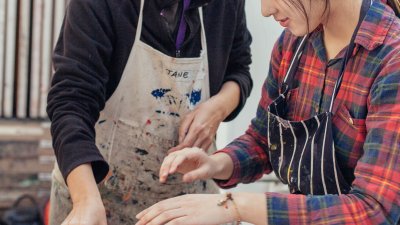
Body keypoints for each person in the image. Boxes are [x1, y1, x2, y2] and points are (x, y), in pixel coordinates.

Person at [136, 0, 400, 224]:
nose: (265, 10)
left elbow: (375, 210)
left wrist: (234, 206)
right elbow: (264, 140)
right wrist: (217, 164)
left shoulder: (392, 60)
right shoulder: (294, 44)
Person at [46, 0, 252, 224]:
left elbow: (239, 69)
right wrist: (85, 200)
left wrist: (218, 108)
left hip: (189, 205)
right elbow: (72, 102)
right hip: (97, 196)